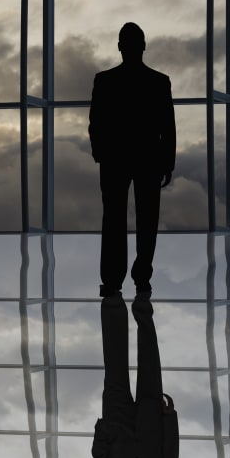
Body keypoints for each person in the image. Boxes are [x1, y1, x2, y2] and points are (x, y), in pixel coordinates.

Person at [89, 22, 176, 296]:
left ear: (119, 47)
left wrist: (100, 152)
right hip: (148, 157)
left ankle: (113, 278)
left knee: (113, 218)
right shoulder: (159, 81)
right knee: (147, 219)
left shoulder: (104, 80)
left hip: (114, 158)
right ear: (143, 46)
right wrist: (168, 161)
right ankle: (141, 276)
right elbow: (167, 126)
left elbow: (96, 122)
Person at [92, 294, 179, 458]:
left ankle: (112, 298)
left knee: (114, 362)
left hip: (116, 424)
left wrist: (103, 430)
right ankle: (142, 302)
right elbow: (170, 456)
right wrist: (169, 419)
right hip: (151, 424)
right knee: (149, 359)